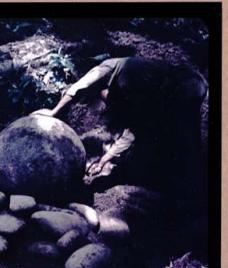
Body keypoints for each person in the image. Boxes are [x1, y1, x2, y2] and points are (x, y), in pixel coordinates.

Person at [33, 57, 208, 200]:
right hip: (176, 89)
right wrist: (104, 160)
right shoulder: (130, 94)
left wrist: (54, 112)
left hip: (187, 87)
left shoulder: (111, 68)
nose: (105, 102)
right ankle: (179, 180)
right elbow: (133, 131)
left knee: (183, 137)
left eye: (106, 99)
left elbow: (79, 87)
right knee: (166, 135)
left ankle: (189, 189)